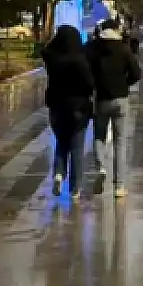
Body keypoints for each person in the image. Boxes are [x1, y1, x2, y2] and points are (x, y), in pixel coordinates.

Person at [87, 19, 141, 197]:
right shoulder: (123, 48)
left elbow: (85, 71)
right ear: (116, 29)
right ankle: (119, 186)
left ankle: (101, 167)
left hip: (101, 99)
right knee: (120, 142)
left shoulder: (93, 48)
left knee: (99, 136)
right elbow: (136, 73)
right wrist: (124, 84)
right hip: (121, 99)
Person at [41, 26, 95, 198]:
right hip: (78, 108)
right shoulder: (80, 60)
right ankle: (75, 188)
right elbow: (89, 84)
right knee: (77, 148)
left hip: (56, 107)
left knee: (61, 142)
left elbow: (46, 49)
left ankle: (58, 174)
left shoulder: (52, 59)